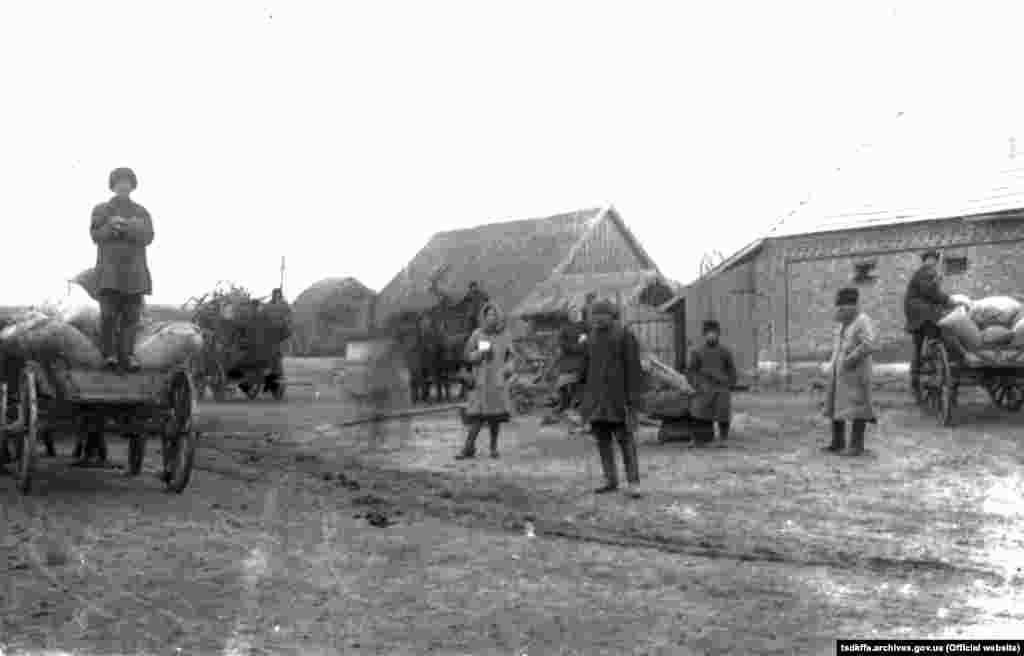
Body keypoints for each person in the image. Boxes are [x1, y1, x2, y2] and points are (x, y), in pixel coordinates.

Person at [578, 299, 646, 496]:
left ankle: (634, 483)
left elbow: (633, 369)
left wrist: (633, 399)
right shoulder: (590, 339)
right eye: (595, 315)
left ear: (611, 315)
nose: (598, 318)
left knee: (626, 441)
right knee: (603, 441)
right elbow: (585, 370)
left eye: (602, 314)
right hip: (597, 400)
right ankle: (610, 479)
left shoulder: (625, 336)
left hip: (619, 399)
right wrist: (583, 397)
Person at [90, 167, 154, 372]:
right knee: (108, 315)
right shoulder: (101, 210)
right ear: (113, 186)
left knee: (131, 318)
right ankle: (108, 355)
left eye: (127, 182)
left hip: (135, 274)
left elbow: (148, 237)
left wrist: (127, 227)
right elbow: (95, 236)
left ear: (132, 186)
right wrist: (111, 227)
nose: (123, 186)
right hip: (109, 274)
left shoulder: (141, 212)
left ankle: (127, 357)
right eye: (119, 182)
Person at [456, 302, 514, 460]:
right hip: (480, 381)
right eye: (488, 315)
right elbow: (467, 355)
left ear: (498, 317)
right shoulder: (477, 334)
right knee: (476, 418)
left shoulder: (505, 335)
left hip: (496, 381)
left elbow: (510, 356)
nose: (491, 318)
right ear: (484, 317)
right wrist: (478, 354)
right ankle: (468, 448)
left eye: (494, 315)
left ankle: (494, 448)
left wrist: (508, 368)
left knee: (495, 418)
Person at [824, 287, 877, 457]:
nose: (839, 311)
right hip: (840, 373)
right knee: (835, 406)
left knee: (858, 407)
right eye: (838, 307)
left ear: (852, 307)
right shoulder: (841, 324)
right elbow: (837, 346)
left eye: (842, 307)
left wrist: (850, 359)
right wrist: (832, 364)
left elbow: (868, 344)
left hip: (856, 373)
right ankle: (838, 442)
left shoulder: (862, 320)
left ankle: (856, 446)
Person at [904, 250, 955, 398]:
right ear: (926, 261)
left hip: (922, 310)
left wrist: (937, 284)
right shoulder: (924, 272)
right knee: (923, 341)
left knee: (924, 340)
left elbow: (932, 294)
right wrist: (947, 299)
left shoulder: (929, 274)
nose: (932, 263)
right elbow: (929, 292)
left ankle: (933, 357)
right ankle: (918, 374)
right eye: (931, 260)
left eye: (934, 260)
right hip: (918, 311)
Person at [688, 320, 737, 445]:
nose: (711, 336)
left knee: (723, 411)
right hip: (704, 386)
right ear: (704, 335)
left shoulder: (725, 352)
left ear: (718, 334)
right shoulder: (697, 352)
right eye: (708, 333)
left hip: (721, 386)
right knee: (699, 409)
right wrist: (697, 384)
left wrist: (730, 384)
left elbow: (731, 370)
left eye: (714, 333)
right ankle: (699, 438)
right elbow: (692, 371)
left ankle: (723, 438)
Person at [555, 305, 587, 415]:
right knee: (562, 384)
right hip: (567, 362)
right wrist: (576, 346)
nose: (574, 314)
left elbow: (588, 341)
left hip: (581, 362)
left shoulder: (584, 326)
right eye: (572, 313)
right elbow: (562, 343)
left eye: (576, 312)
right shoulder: (564, 328)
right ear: (568, 315)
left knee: (579, 385)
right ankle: (564, 404)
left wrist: (579, 346)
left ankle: (577, 406)